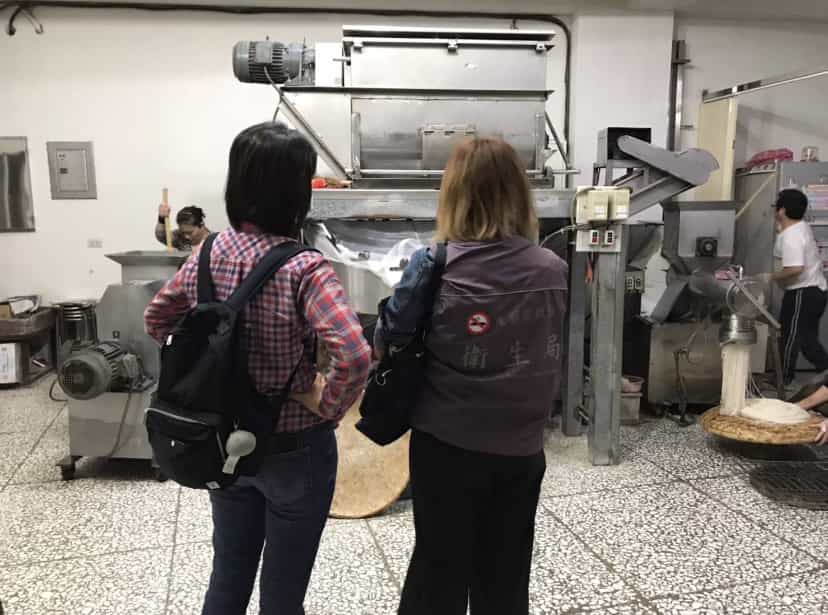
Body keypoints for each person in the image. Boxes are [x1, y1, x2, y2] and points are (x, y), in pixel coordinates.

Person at [144, 121, 372, 615]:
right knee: (283, 593)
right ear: (296, 192)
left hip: (220, 439)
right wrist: (326, 405)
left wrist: (201, 370)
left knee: (228, 577)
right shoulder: (304, 267)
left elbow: (156, 318)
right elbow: (355, 354)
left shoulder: (207, 253)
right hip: (293, 446)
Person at [375, 138, 568, 615]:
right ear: (519, 194)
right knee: (505, 575)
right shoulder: (553, 269)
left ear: (455, 194)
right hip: (522, 448)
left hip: (446, 444)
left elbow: (389, 338)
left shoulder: (434, 263)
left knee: (437, 570)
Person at [762, 189, 828, 385]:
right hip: (811, 291)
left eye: (776, 206)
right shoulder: (799, 227)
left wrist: (769, 277)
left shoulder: (792, 235)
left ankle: (783, 378)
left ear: (782, 210)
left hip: (804, 292)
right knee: (804, 339)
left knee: (792, 336)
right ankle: (788, 375)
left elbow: (795, 268)